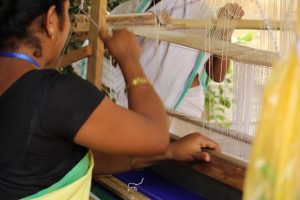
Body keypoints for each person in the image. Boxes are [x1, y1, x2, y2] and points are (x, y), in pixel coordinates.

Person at [0, 0, 219, 199]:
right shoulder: (54, 93)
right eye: (67, 13)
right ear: (50, 21)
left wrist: (170, 152)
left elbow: (59, 158)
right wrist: (129, 59)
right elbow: (156, 136)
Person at [107, 0, 244, 119]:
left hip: (182, 107)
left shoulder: (203, 14)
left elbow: (217, 74)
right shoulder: (127, 10)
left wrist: (225, 33)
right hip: (131, 99)